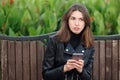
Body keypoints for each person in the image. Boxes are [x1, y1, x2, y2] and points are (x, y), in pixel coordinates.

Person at [42, 3, 95, 80]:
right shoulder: (55, 41)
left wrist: (81, 70)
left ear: (85, 23)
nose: (77, 24)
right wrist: (65, 68)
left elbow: (88, 77)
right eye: (73, 18)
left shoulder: (89, 44)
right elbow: (46, 75)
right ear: (67, 21)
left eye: (81, 19)